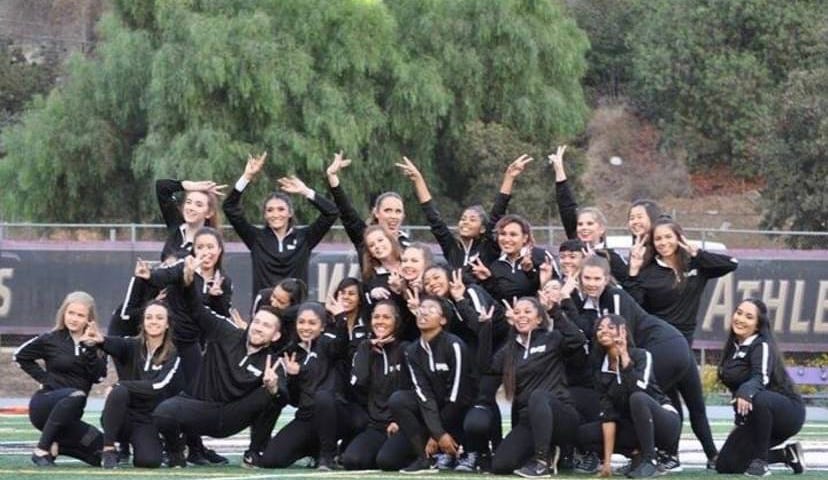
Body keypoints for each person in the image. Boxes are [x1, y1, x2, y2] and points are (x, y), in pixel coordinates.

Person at [573, 255, 711, 471]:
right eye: (587, 278)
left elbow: (622, 337)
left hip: (664, 344)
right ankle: (709, 455)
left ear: (607, 279)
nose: (591, 283)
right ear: (579, 279)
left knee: (641, 396)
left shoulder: (615, 296)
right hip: (674, 344)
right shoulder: (592, 304)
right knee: (682, 402)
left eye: (597, 278)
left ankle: (649, 456)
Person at [152, 256, 287, 468]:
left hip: (234, 416)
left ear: (276, 335)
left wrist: (274, 388)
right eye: (257, 322)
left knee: (272, 394)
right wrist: (187, 285)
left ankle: (255, 451)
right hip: (202, 408)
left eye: (267, 326)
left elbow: (284, 396)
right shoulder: (226, 332)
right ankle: (176, 452)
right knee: (163, 412)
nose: (259, 327)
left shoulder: (274, 362)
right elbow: (197, 310)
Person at [475, 297, 586, 478]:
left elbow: (578, 339)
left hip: (561, 414)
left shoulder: (552, 339)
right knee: (501, 465)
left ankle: (542, 462)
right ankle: (548, 451)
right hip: (530, 419)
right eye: (517, 312)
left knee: (539, 396)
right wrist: (485, 328)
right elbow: (485, 367)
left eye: (527, 312)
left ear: (539, 319)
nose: (521, 316)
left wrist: (555, 311)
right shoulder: (510, 349)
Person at [396, 154, 532, 283]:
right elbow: (433, 218)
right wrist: (418, 180)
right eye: (463, 219)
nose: (465, 222)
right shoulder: (451, 247)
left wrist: (509, 177)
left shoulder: (489, 247)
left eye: (472, 219)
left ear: (483, 228)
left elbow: (498, 212)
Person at [577, 314, 681, 479]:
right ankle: (636, 455)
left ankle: (651, 461)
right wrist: (608, 463)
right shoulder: (599, 369)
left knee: (637, 398)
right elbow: (608, 416)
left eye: (610, 327)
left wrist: (624, 355)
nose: (603, 331)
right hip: (633, 427)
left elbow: (638, 389)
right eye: (599, 328)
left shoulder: (642, 355)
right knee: (584, 434)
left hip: (663, 423)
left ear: (623, 332)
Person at [259, 302, 361, 470]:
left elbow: (341, 346)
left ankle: (326, 456)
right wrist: (292, 378)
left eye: (312, 323)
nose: (305, 327)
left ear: (322, 327)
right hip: (307, 417)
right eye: (301, 322)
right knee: (271, 460)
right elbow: (293, 401)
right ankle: (313, 449)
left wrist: (341, 318)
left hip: (336, 413)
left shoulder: (327, 343)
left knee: (323, 397)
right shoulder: (292, 352)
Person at [223, 152, 339, 296]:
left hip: (296, 312)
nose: (275, 214)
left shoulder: (305, 237)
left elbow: (332, 212)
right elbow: (229, 207)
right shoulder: (255, 238)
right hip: (265, 311)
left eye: (281, 209)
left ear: (290, 213)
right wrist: (246, 177)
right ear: (265, 215)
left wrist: (306, 191)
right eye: (270, 210)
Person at [13, 291, 107, 467]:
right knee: (76, 395)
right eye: (70, 313)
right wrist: (45, 379)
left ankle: (56, 446)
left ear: (90, 319)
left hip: (70, 417)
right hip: (45, 406)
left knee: (100, 454)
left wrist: (91, 349)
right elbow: (20, 356)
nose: (74, 319)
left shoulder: (99, 344)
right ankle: (41, 449)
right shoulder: (51, 339)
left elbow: (99, 377)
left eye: (80, 315)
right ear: (63, 313)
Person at [84, 300, 181, 469]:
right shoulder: (131, 345)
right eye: (149, 317)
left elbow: (158, 385)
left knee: (148, 461)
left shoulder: (173, 354)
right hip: (122, 416)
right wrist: (100, 340)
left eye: (159, 318)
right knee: (119, 393)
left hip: (146, 419)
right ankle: (108, 449)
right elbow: (113, 344)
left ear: (167, 324)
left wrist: (121, 384)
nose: (153, 321)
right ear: (143, 322)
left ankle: (156, 446)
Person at [715, 299, 806, 476]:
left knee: (759, 397)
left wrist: (745, 391)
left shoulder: (761, 345)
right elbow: (738, 393)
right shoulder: (732, 348)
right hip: (757, 415)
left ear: (757, 325)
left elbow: (760, 378)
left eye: (749, 317)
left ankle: (761, 463)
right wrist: (739, 427)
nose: (740, 319)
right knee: (726, 464)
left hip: (787, 413)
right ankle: (786, 454)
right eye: (739, 312)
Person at [389, 295, 478, 473]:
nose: (423, 313)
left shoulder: (454, 345)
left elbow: (457, 396)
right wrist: (438, 433)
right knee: (398, 400)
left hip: (460, 410)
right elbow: (424, 395)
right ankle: (424, 458)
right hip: (434, 413)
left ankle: (469, 452)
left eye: (431, 309)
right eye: (421, 309)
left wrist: (437, 434)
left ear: (443, 319)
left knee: (473, 420)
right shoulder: (412, 351)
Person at [628, 216, 738, 345]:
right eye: (658, 239)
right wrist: (633, 271)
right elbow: (634, 304)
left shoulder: (695, 264)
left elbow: (731, 263)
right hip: (656, 337)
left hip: (685, 338)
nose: (663, 242)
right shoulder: (648, 271)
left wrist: (698, 254)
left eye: (668, 237)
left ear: (679, 238)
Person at [340, 300, 414, 471]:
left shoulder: (406, 349)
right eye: (376, 317)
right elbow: (359, 383)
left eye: (386, 317)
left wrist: (399, 420)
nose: (380, 321)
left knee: (387, 462)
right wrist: (366, 349)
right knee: (352, 461)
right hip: (376, 425)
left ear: (396, 322)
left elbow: (415, 390)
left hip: (403, 425)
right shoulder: (365, 349)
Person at [549, 145, 629, 285]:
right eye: (580, 224)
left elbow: (628, 285)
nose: (584, 228)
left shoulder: (611, 257)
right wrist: (559, 170)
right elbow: (566, 206)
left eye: (590, 223)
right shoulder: (574, 247)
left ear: (601, 228)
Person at [326, 151, 410, 262]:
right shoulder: (364, 235)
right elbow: (346, 211)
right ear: (376, 212)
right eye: (388, 210)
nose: (393, 216)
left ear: (403, 215)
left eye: (398, 211)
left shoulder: (406, 242)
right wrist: (332, 176)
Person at [470, 214, 555, 302]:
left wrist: (531, 273)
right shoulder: (496, 266)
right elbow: (500, 299)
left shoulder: (541, 256)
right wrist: (488, 280)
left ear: (525, 238)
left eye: (513, 235)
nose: (507, 239)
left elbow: (554, 290)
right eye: (503, 234)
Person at [155, 178, 225, 260]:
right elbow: (161, 186)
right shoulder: (177, 226)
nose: (191, 208)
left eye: (198, 205)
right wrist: (192, 186)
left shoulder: (208, 243)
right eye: (188, 202)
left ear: (209, 213)